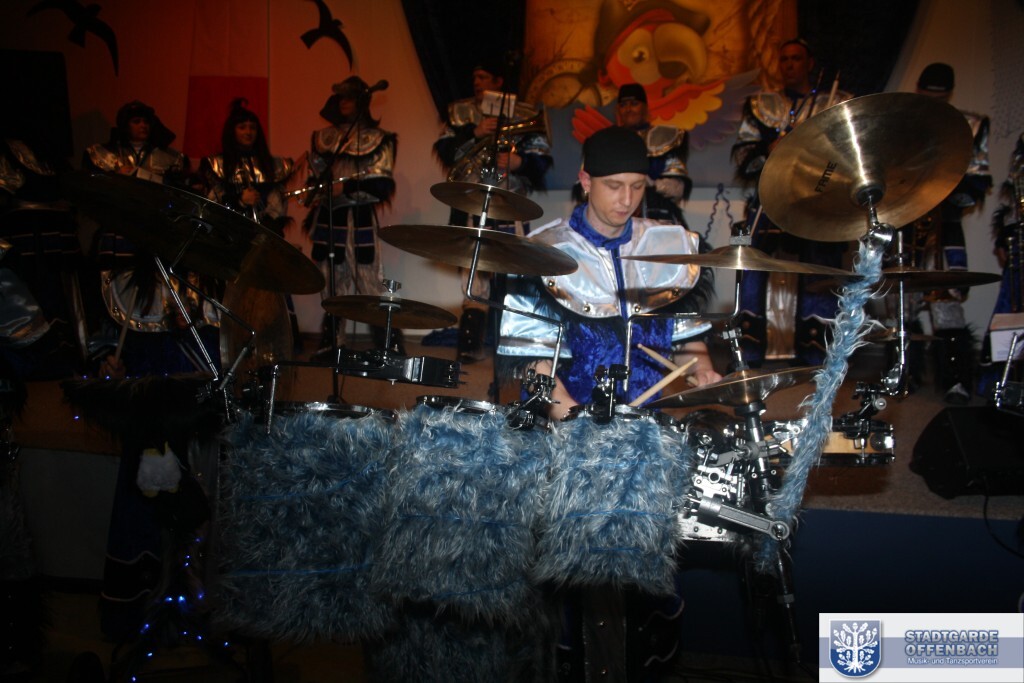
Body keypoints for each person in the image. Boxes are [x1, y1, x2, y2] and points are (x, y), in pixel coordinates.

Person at [499, 126, 720, 417]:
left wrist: (701, 369)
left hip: (643, 421)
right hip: (566, 421)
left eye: (637, 186)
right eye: (614, 186)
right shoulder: (541, 253)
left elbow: (685, 339)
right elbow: (533, 365)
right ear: (586, 181)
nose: (627, 199)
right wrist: (576, 422)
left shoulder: (668, 244)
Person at [731, 38, 853, 368]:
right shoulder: (763, 105)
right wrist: (768, 150)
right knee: (752, 266)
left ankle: (815, 352)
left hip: (818, 202)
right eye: (783, 59)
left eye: (796, 59)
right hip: (770, 198)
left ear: (809, 63)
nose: (789, 65)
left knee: (820, 271)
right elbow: (743, 154)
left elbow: (850, 154)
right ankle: (748, 350)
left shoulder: (833, 102)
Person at [81, 100, 217, 378]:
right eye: (136, 121)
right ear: (124, 125)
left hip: (155, 236)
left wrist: (139, 175)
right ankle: (115, 352)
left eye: (146, 121)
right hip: (118, 236)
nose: (142, 126)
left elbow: (178, 196)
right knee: (115, 291)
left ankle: (165, 353)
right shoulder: (101, 155)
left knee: (161, 292)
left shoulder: (171, 159)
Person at [434, 57, 552, 361]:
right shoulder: (460, 113)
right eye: (475, 77)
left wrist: (519, 162)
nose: (477, 83)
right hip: (473, 206)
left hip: (511, 207)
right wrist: (474, 134)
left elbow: (542, 161)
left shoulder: (525, 113)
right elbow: (446, 152)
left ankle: (511, 344)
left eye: (484, 76)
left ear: (499, 82)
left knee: (514, 274)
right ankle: (470, 344)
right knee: (474, 274)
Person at [899, 63, 992, 403]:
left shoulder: (970, 125)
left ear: (949, 94)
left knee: (947, 303)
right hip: (906, 227)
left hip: (944, 228)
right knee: (902, 304)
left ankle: (955, 380)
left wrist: (947, 189)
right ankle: (905, 373)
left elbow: (979, 179)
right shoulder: (901, 124)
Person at [199, 98, 297, 366]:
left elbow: (278, 205)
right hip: (229, 243)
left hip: (261, 242)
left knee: (266, 298)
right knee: (230, 294)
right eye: (242, 127)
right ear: (232, 131)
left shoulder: (271, 166)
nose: (248, 132)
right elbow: (211, 204)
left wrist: (266, 222)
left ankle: (266, 351)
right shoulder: (217, 165)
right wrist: (238, 201)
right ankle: (229, 350)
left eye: (252, 127)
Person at [305, 76, 400, 354]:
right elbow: (314, 176)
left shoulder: (379, 138)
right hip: (329, 218)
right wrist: (320, 188)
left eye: (350, 97)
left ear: (362, 102)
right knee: (331, 281)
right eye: (341, 97)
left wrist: (345, 188)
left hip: (359, 219)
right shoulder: (324, 137)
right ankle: (332, 342)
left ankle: (388, 343)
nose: (344, 102)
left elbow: (382, 184)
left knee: (370, 280)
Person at [574, 82, 693, 225]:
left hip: (657, 218)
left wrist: (653, 184)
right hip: (610, 219)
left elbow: (678, 189)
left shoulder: (664, 138)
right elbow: (583, 189)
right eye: (623, 105)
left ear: (645, 107)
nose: (628, 109)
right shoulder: (604, 141)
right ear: (618, 109)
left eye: (634, 104)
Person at [978, 132, 1023, 396]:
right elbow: (1002, 247)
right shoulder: (1014, 208)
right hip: (1016, 272)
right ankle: (1002, 385)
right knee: (1009, 318)